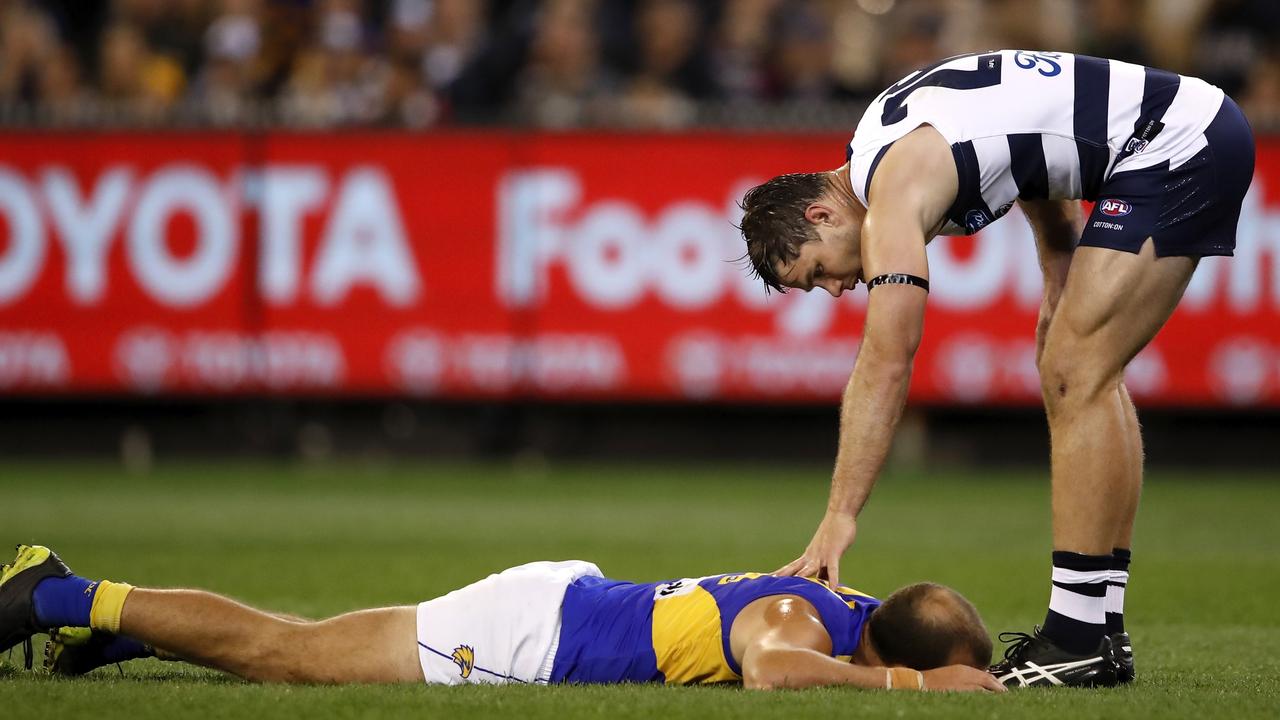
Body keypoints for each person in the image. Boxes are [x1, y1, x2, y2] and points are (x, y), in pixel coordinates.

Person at [739, 50, 1256, 687]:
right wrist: (1057, 268)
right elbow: (1028, 146)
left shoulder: (891, 198)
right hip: (1179, 128)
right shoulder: (882, 138)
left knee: (1075, 371)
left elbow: (887, 360)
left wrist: (840, 513)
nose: (838, 288)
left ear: (821, 214)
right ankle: (1100, 629)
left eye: (818, 272)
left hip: (1174, 142)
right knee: (1080, 370)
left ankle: (1075, 637)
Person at [0, 544, 1002, 692]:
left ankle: (125, 631)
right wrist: (913, 687)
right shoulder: (807, 620)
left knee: (298, 644)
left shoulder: (861, 609)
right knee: (289, 656)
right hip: (534, 636)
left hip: (563, 607)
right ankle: (56, 591)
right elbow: (773, 671)